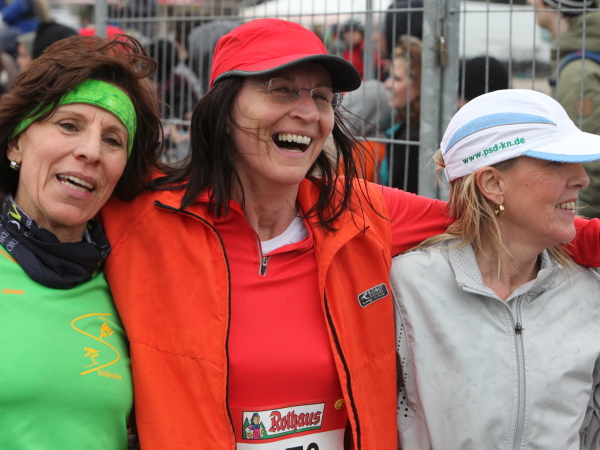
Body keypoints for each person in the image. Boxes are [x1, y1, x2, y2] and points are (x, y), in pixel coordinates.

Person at [99, 19, 600, 450]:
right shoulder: (142, 217)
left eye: (320, 97)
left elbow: (496, 217)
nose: (306, 111)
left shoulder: (358, 213)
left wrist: (568, 226)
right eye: (281, 89)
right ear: (223, 106)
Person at [391, 89, 600, 448]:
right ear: (492, 184)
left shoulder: (589, 294)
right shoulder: (406, 287)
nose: (583, 178)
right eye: (555, 162)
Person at [0, 33, 162, 449]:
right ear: (17, 142)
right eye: (68, 125)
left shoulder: (131, 284)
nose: (91, 151)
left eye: (112, 140)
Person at [528, 0, 600, 218]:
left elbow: (590, 161)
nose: (530, 2)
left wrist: (578, 224)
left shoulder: (578, 72)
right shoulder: (582, 60)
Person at [381, 34, 421, 192]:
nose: (387, 84)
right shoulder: (402, 125)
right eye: (389, 76)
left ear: (419, 84)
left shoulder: (414, 140)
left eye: (397, 79)